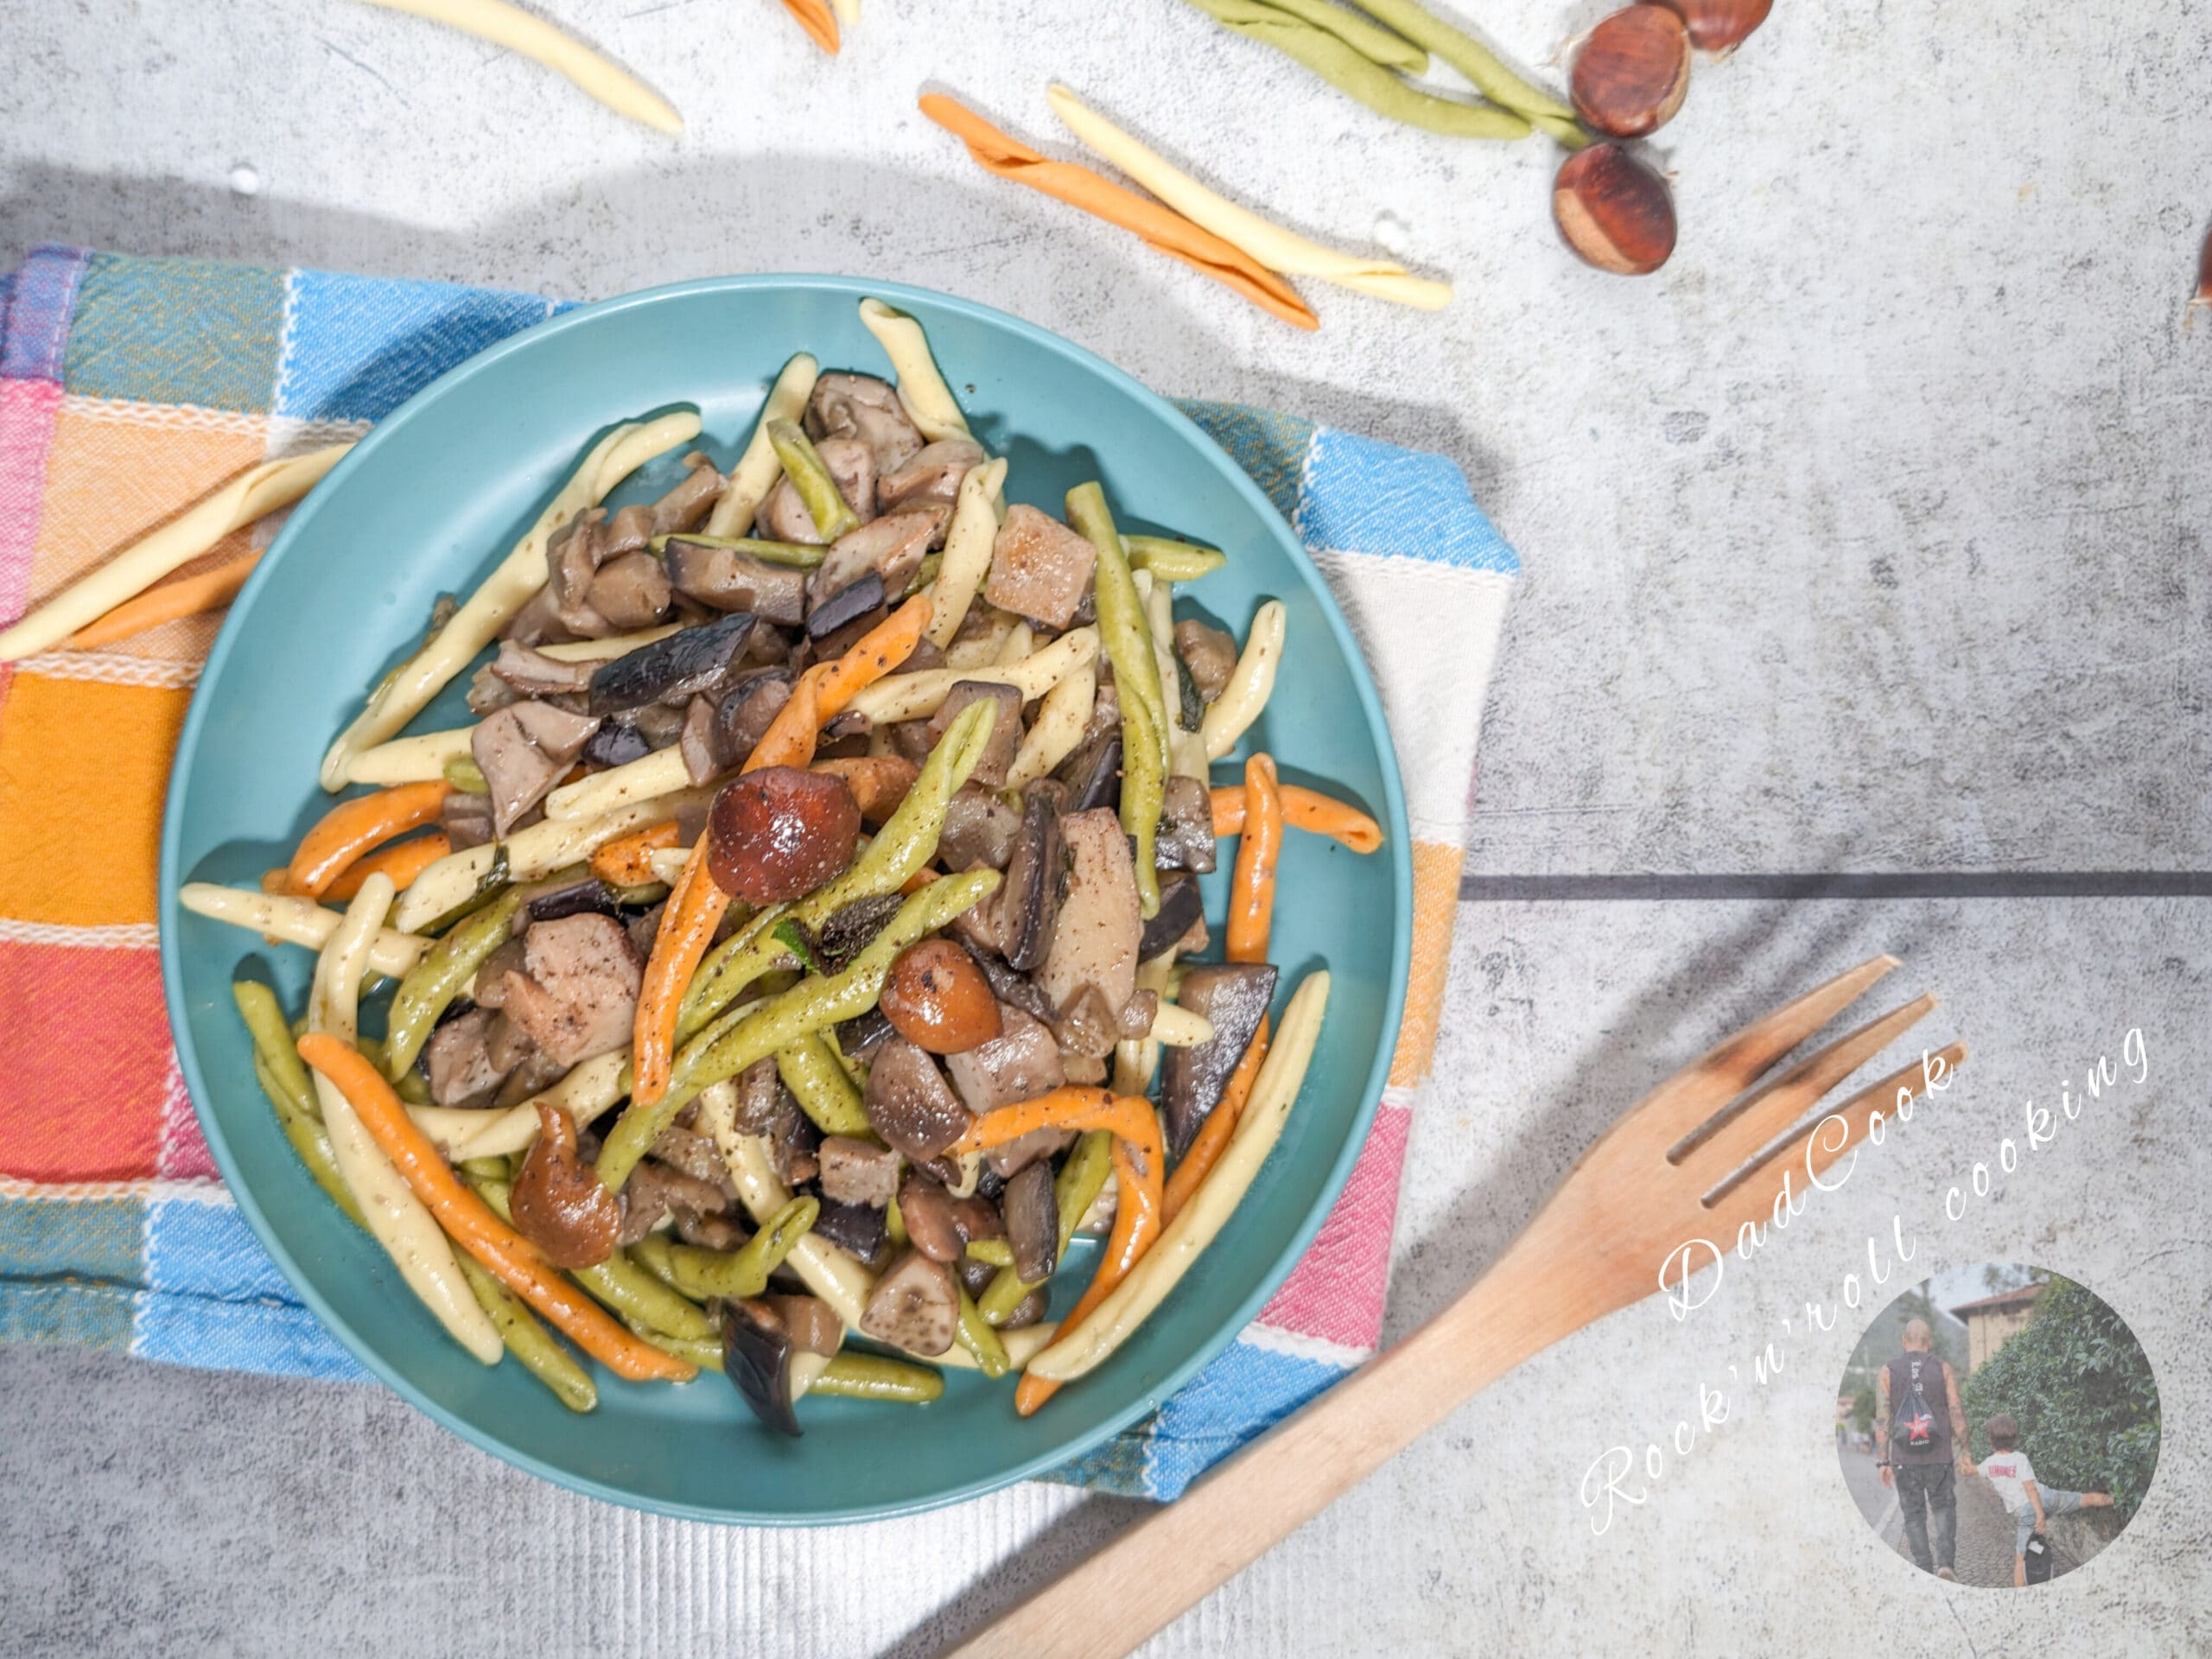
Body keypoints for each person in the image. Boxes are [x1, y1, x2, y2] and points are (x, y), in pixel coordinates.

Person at [1875, 1319, 1974, 1580]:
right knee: (1943, 1509)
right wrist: (1967, 1453)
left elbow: (1883, 1420)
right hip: (1939, 1457)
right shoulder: (1942, 1368)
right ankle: (1945, 1564)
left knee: (1913, 1516)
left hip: (1904, 1460)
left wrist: (1883, 1462)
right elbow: (1956, 1412)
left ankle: (1923, 1568)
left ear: (1904, 1341)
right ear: (1929, 1344)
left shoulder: (1887, 1371)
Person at [1978, 1414, 2114, 1587]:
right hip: (2047, 1498)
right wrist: (2040, 1513)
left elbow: (2029, 1489)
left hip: (2029, 1510)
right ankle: (2116, 1500)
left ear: (1990, 1439)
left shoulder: (1989, 1463)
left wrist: (2040, 1515)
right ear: (2014, 1438)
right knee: (2083, 1499)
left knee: (2021, 1558)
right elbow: (2031, 1487)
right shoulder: (2019, 1458)